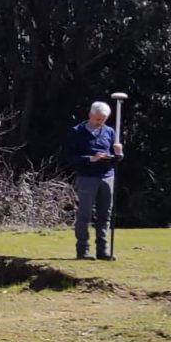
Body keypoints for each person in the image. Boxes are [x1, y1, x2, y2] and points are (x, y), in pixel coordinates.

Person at [66, 101, 123, 260]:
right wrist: (91, 159)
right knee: (84, 213)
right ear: (90, 114)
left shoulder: (110, 132)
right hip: (86, 178)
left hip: (107, 176)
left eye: (103, 119)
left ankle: (103, 251)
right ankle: (82, 251)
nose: (100, 122)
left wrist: (118, 153)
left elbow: (117, 159)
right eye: (98, 118)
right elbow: (71, 157)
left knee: (106, 214)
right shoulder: (76, 132)